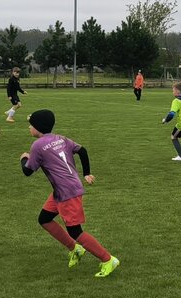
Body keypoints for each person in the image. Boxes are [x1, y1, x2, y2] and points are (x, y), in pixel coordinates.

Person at [20, 108, 119, 277]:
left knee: (75, 231)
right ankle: (76, 249)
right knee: (44, 219)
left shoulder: (37, 145)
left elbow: (27, 171)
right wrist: (86, 173)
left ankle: (108, 260)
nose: (29, 127)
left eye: (31, 125)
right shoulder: (61, 138)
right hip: (63, 189)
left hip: (67, 192)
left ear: (38, 127)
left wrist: (24, 158)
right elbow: (82, 150)